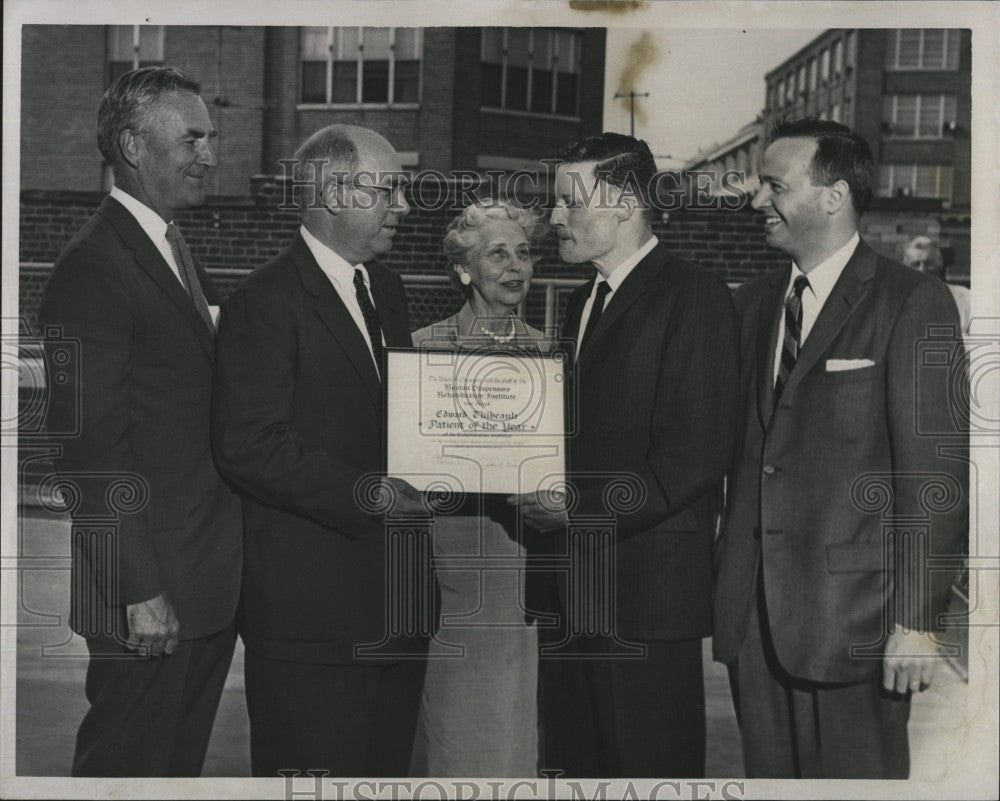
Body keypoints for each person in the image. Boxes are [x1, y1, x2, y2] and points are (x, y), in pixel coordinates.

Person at [712, 118, 968, 779]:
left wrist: (916, 618)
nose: (757, 200)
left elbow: (933, 478)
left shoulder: (914, 301)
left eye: (774, 185)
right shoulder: (754, 304)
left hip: (857, 625)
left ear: (834, 196)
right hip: (755, 625)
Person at [512, 132, 741, 778]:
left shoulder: (694, 298)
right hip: (571, 595)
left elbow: (695, 454)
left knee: (647, 770)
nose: (554, 217)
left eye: (568, 201)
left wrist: (574, 509)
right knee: (572, 768)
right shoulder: (585, 301)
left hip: (645, 605)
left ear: (623, 203)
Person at [38, 66, 242, 777]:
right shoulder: (94, 266)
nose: (210, 154)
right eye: (192, 137)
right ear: (131, 144)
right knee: (126, 772)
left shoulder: (172, 246)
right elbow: (86, 450)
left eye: (212, 137)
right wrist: (138, 589)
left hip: (198, 591)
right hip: (149, 599)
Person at [211, 124, 428, 776]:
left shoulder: (384, 289)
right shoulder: (263, 300)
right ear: (335, 191)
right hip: (312, 624)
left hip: (399, 609)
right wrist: (373, 492)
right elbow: (249, 444)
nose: (405, 207)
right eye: (389, 189)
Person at [408, 200, 549, 777]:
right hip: (448, 583)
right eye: (498, 253)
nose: (515, 265)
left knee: (515, 753)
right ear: (465, 270)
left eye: (524, 252)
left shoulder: (551, 355)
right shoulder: (421, 351)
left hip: (527, 584)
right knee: (448, 753)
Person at [902, 235, 971, 336]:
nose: (922, 270)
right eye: (915, 264)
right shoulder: (896, 303)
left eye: (928, 263)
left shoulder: (963, 297)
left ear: (939, 264)